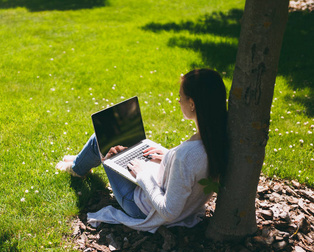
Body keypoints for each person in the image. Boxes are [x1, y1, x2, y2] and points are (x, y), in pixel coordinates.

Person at [56, 69, 228, 233]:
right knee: (120, 147)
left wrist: (143, 174)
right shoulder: (219, 138)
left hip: (141, 208)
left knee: (102, 142)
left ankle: (77, 168)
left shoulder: (185, 156)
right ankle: (82, 160)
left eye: (180, 97)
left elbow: (169, 211)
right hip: (183, 205)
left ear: (192, 104)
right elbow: (190, 170)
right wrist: (169, 158)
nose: (178, 101)